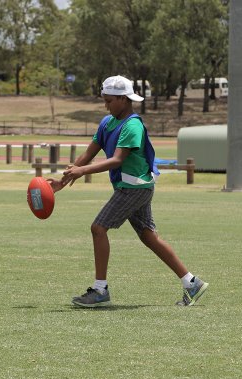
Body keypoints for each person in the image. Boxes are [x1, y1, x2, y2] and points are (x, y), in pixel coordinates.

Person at [49, 75, 208, 308]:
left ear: (123, 99)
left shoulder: (132, 125)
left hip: (134, 188)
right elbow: (88, 153)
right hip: (135, 187)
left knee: (98, 228)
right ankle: (191, 282)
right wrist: (64, 179)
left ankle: (100, 289)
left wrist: (82, 171)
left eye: (109, 100)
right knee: (148, 236)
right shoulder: (107, 122)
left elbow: (117, 160)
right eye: (104, 100)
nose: (106, 105)